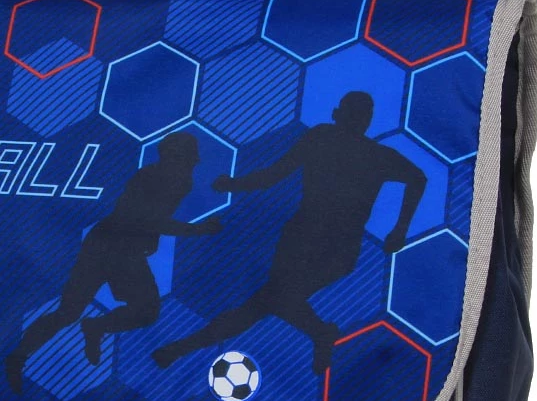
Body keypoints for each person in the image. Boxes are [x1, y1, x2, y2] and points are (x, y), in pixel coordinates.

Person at [152, 91, 426, 374]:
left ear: (346, 115)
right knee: (273, 300)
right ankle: (320, 333)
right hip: (303, 239)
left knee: (268, 301)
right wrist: (234, 184)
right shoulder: (331, 141)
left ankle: (181, 349)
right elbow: (273, 175)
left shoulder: (353, 148)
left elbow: (273, 175)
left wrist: (400, 229)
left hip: (332, 247)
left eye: (355, 113)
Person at [6, 129, 220, 393]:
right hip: (107, 246)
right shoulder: (149, 177)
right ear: (172, 157)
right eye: (188, 158)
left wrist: (152, 240)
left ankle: (96, 327)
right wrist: (197, 230)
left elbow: (153, 220)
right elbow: (147, 219)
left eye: (192, 159)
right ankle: (17, 357)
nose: (193, 163)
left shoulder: (182, 182)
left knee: (146, 311)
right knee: (69, 312)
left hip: (126, 252)